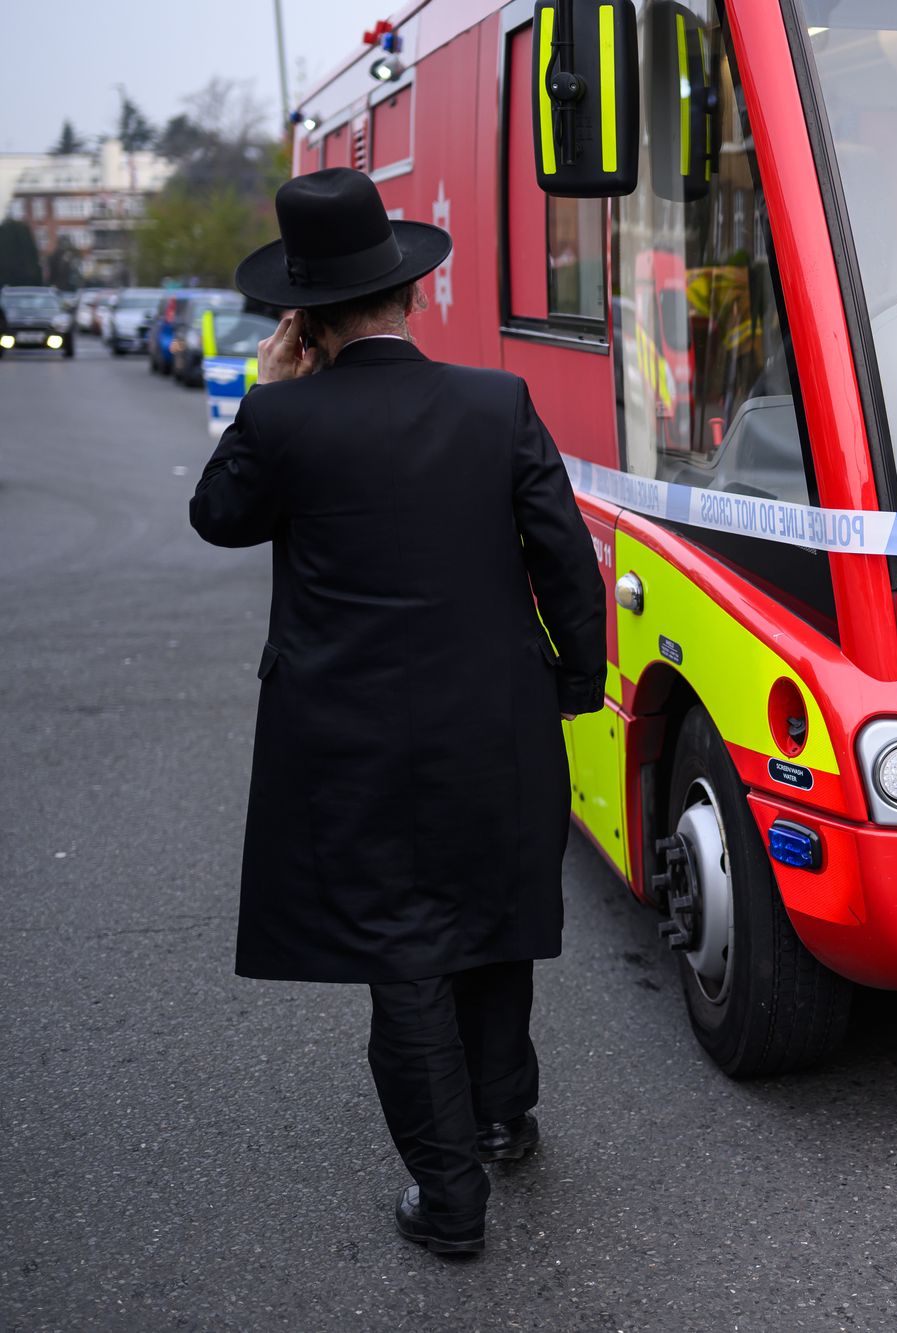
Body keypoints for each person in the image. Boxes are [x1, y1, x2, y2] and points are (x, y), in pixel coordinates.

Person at [189, 168, 606, 1257]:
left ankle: (450, 1194)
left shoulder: (282, 418)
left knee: (403, 945)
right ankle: (503, 1118)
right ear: (408, 295)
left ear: (305, 316)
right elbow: (564, 556)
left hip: (349, 737)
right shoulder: (494, 403)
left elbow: (218, 518)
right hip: (495, 714)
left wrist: (262, 387)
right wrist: (573, 681)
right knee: (491, 916)